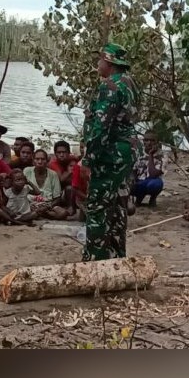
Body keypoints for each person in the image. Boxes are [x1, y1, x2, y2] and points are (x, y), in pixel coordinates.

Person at [81, 43, 138, 261]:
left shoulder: (110, 86)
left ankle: (95, 258)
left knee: (97, 206)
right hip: (125, 152)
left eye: (100, 60)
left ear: (109, 63)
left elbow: (101, 126)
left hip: (109, 154)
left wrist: (89, 159)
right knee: (117, 205)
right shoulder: (129, 83)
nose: (97, 64)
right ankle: (116, 256)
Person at [24, 149, 69, 220]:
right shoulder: (27, 171)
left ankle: (39, 214)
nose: (40, 162)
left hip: (47, 204)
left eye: (43, 159)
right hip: (30, 203)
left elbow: (57, 198)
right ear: (33, 160)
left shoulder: (53, 174)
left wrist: (46, 207)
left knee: (63, 213)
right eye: (37, 159)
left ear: (47, 161)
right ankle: (40, 214)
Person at [132, 131, 166, 207]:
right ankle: (139, 198)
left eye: (152, 140)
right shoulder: (138, 153)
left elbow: (153, 174)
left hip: (152, 181)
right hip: (139, 181)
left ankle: (152, 198)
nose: (149, 143)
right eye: (146, 140)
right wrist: (133, 180)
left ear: (157, 142)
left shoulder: (162, 156)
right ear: (143, 141)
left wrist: (151, 155)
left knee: (156, 184)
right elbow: (133, 169)